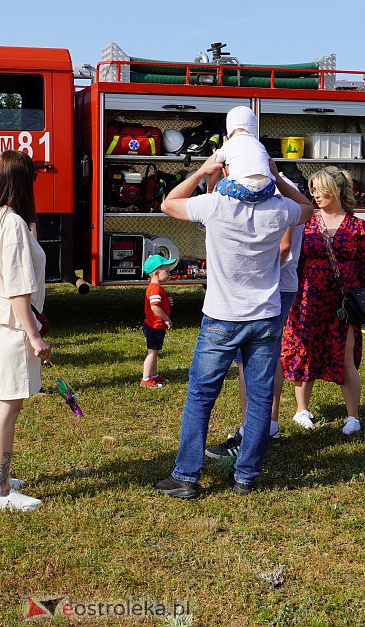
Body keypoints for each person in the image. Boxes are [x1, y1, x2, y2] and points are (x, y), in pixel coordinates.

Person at [154, 153, 311, 498]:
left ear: (228, 171)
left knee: (201, 396)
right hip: (265, 317)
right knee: (259, 397)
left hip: (222, 317)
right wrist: (278, 177)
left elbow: (170, 204)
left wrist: (202, 171)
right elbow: (308, 208)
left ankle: (186, 477)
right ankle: (247, 476)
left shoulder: (215, 205)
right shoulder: (280, 208)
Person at [281, 167, 365, 438]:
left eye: (320, 189)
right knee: (304, 350)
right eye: (313, 189)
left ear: (338, 190)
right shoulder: (306, 222)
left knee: (345, 356)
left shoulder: (357, 226)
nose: (315, 194)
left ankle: (353, 416)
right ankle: (301, 409)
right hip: (308, 297)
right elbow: (293, 260)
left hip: (344, 302)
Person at [0, 150, 49, 512]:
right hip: (8, 323)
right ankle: (0, 493)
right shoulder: (13, 224)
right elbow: (19, 287)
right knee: (7, 406)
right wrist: (34, 334)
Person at [205, 221, 304, 458]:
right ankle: (265, 428)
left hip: (265, 287)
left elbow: (283, 247)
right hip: (276, 285)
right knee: (265, 358)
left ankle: (254, 434)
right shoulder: (287, 191)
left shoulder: (271, 189)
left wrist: (256, 278)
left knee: (252, 361)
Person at [211, 106, 275, 204]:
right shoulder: (259, 144)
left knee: (219, 186)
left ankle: (211, 196)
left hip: (242, 190)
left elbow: (217, 161)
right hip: (267, 190)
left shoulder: (229, 144)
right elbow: (269, 162)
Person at [140, 254, 177, 388]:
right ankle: (146, 379)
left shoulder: (156, 288)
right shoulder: (155, 288)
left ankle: (154, 375)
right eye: (166, 271)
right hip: (155, 326)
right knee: (152, 353)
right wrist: (166, 319)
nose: (169, 274)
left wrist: (167, 302)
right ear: (156, 273)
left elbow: (158, 303)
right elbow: (155, 308)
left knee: (154, 351)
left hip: (154, 326)